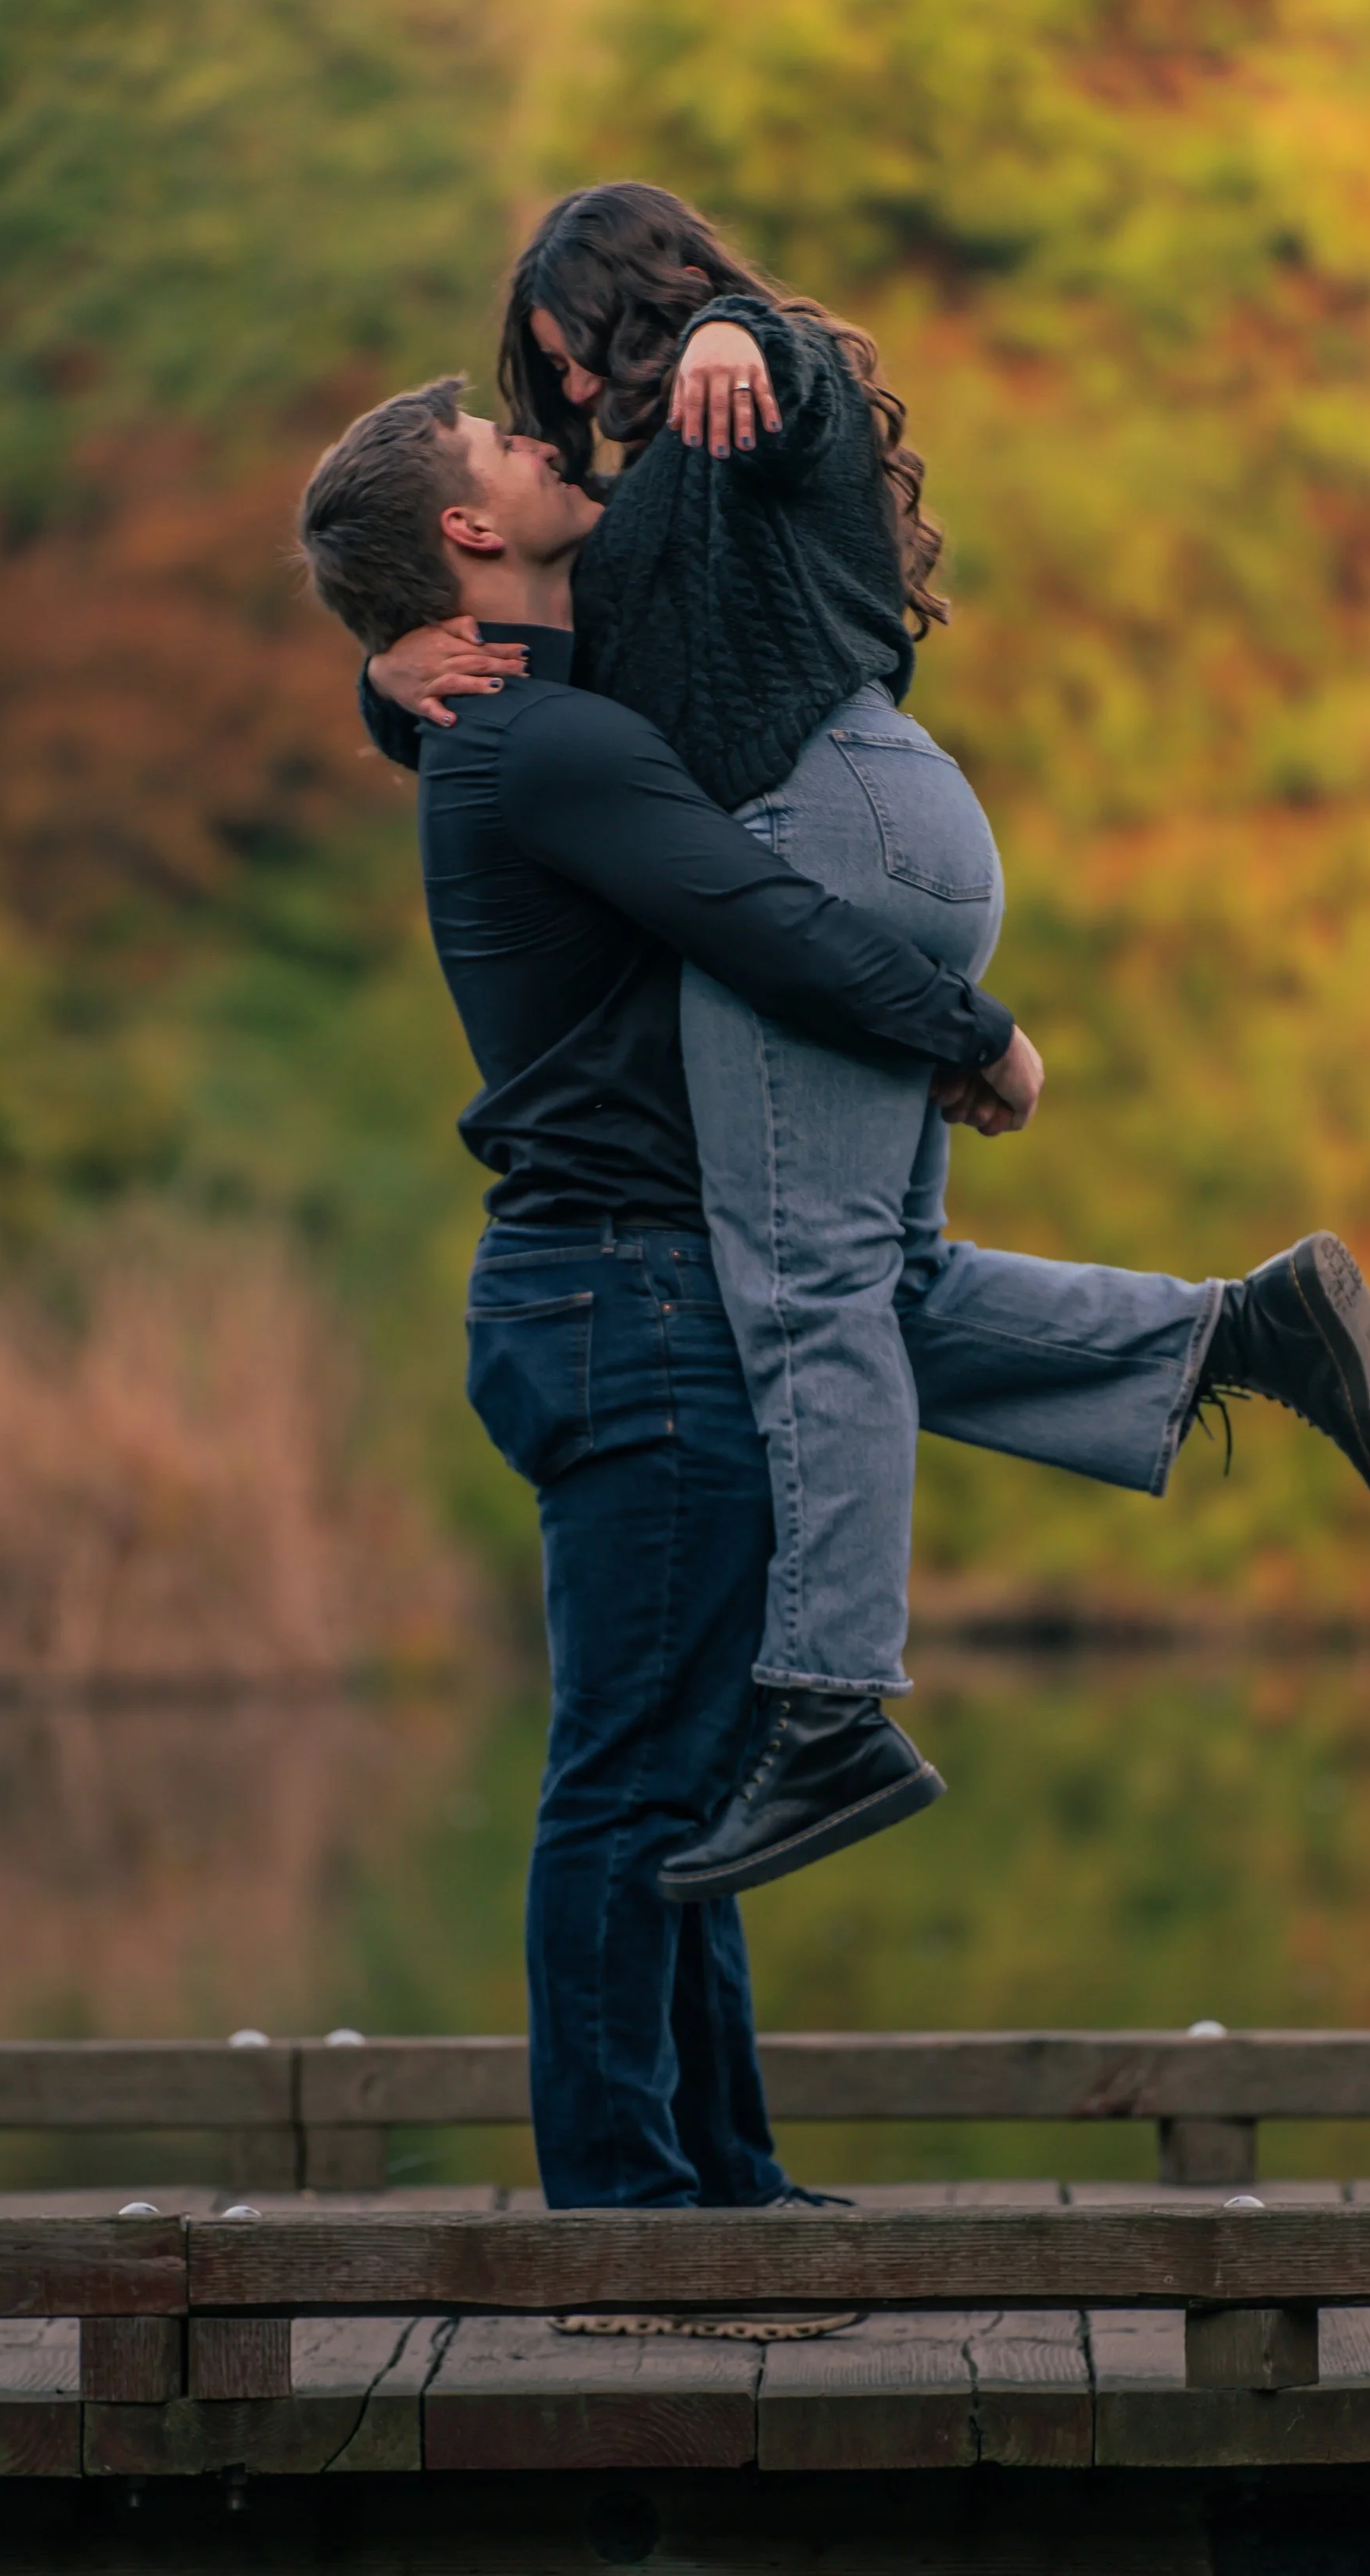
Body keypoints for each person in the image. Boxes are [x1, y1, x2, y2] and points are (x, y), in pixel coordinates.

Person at [360, 184, 1370, 1905]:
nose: (551, 393)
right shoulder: (647, 525)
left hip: (826, 833)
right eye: (528, 393)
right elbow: (535, 690)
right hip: (883, 825)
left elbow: (794, 378)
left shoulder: (746, 412)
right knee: (874, 1279)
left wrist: (733, 331)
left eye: (558, 356)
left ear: (625, 312)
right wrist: (391, 672)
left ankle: (833, 1706)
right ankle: (1237, 1334)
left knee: (799, 1295)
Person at [298, 378, 1037, 2210]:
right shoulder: (547, 750)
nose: (547, 442)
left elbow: (699, 557)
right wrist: (975, 1036)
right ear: (467, 533)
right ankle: (626, 2207)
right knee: (637, 1779)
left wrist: (384, 673)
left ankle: (720, 2183)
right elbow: (758, 918)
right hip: (624, 1298)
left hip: (615, 1295)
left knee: (687, 1775)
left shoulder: (520, 722)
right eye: (502, 438)